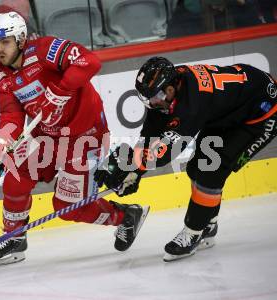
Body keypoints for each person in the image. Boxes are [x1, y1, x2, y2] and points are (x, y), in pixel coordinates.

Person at [0, 11, 149, 267]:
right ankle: (14, 239)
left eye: (5, 42)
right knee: (15, 174)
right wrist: (1, 144)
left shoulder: (46, 50)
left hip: (84, 137)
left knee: (67, 207)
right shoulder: (3, 79)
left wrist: (60, 91)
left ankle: (125, 216)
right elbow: (12, 116)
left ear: (22, 39)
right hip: (45, 136)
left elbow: (89, 61)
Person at [94, 57, 277, 262]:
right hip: (227, 111)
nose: (151, 103)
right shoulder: (168, 89)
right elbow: (151, 136)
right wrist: (134, 172)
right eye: (146, 98)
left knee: (210, 172)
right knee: (195, 169)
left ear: (171, 88)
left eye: (154, 97)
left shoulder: (191, 104)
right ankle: (208, 222)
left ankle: (194, 232)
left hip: (261, 115)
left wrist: (134, 166)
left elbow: (164, 152)